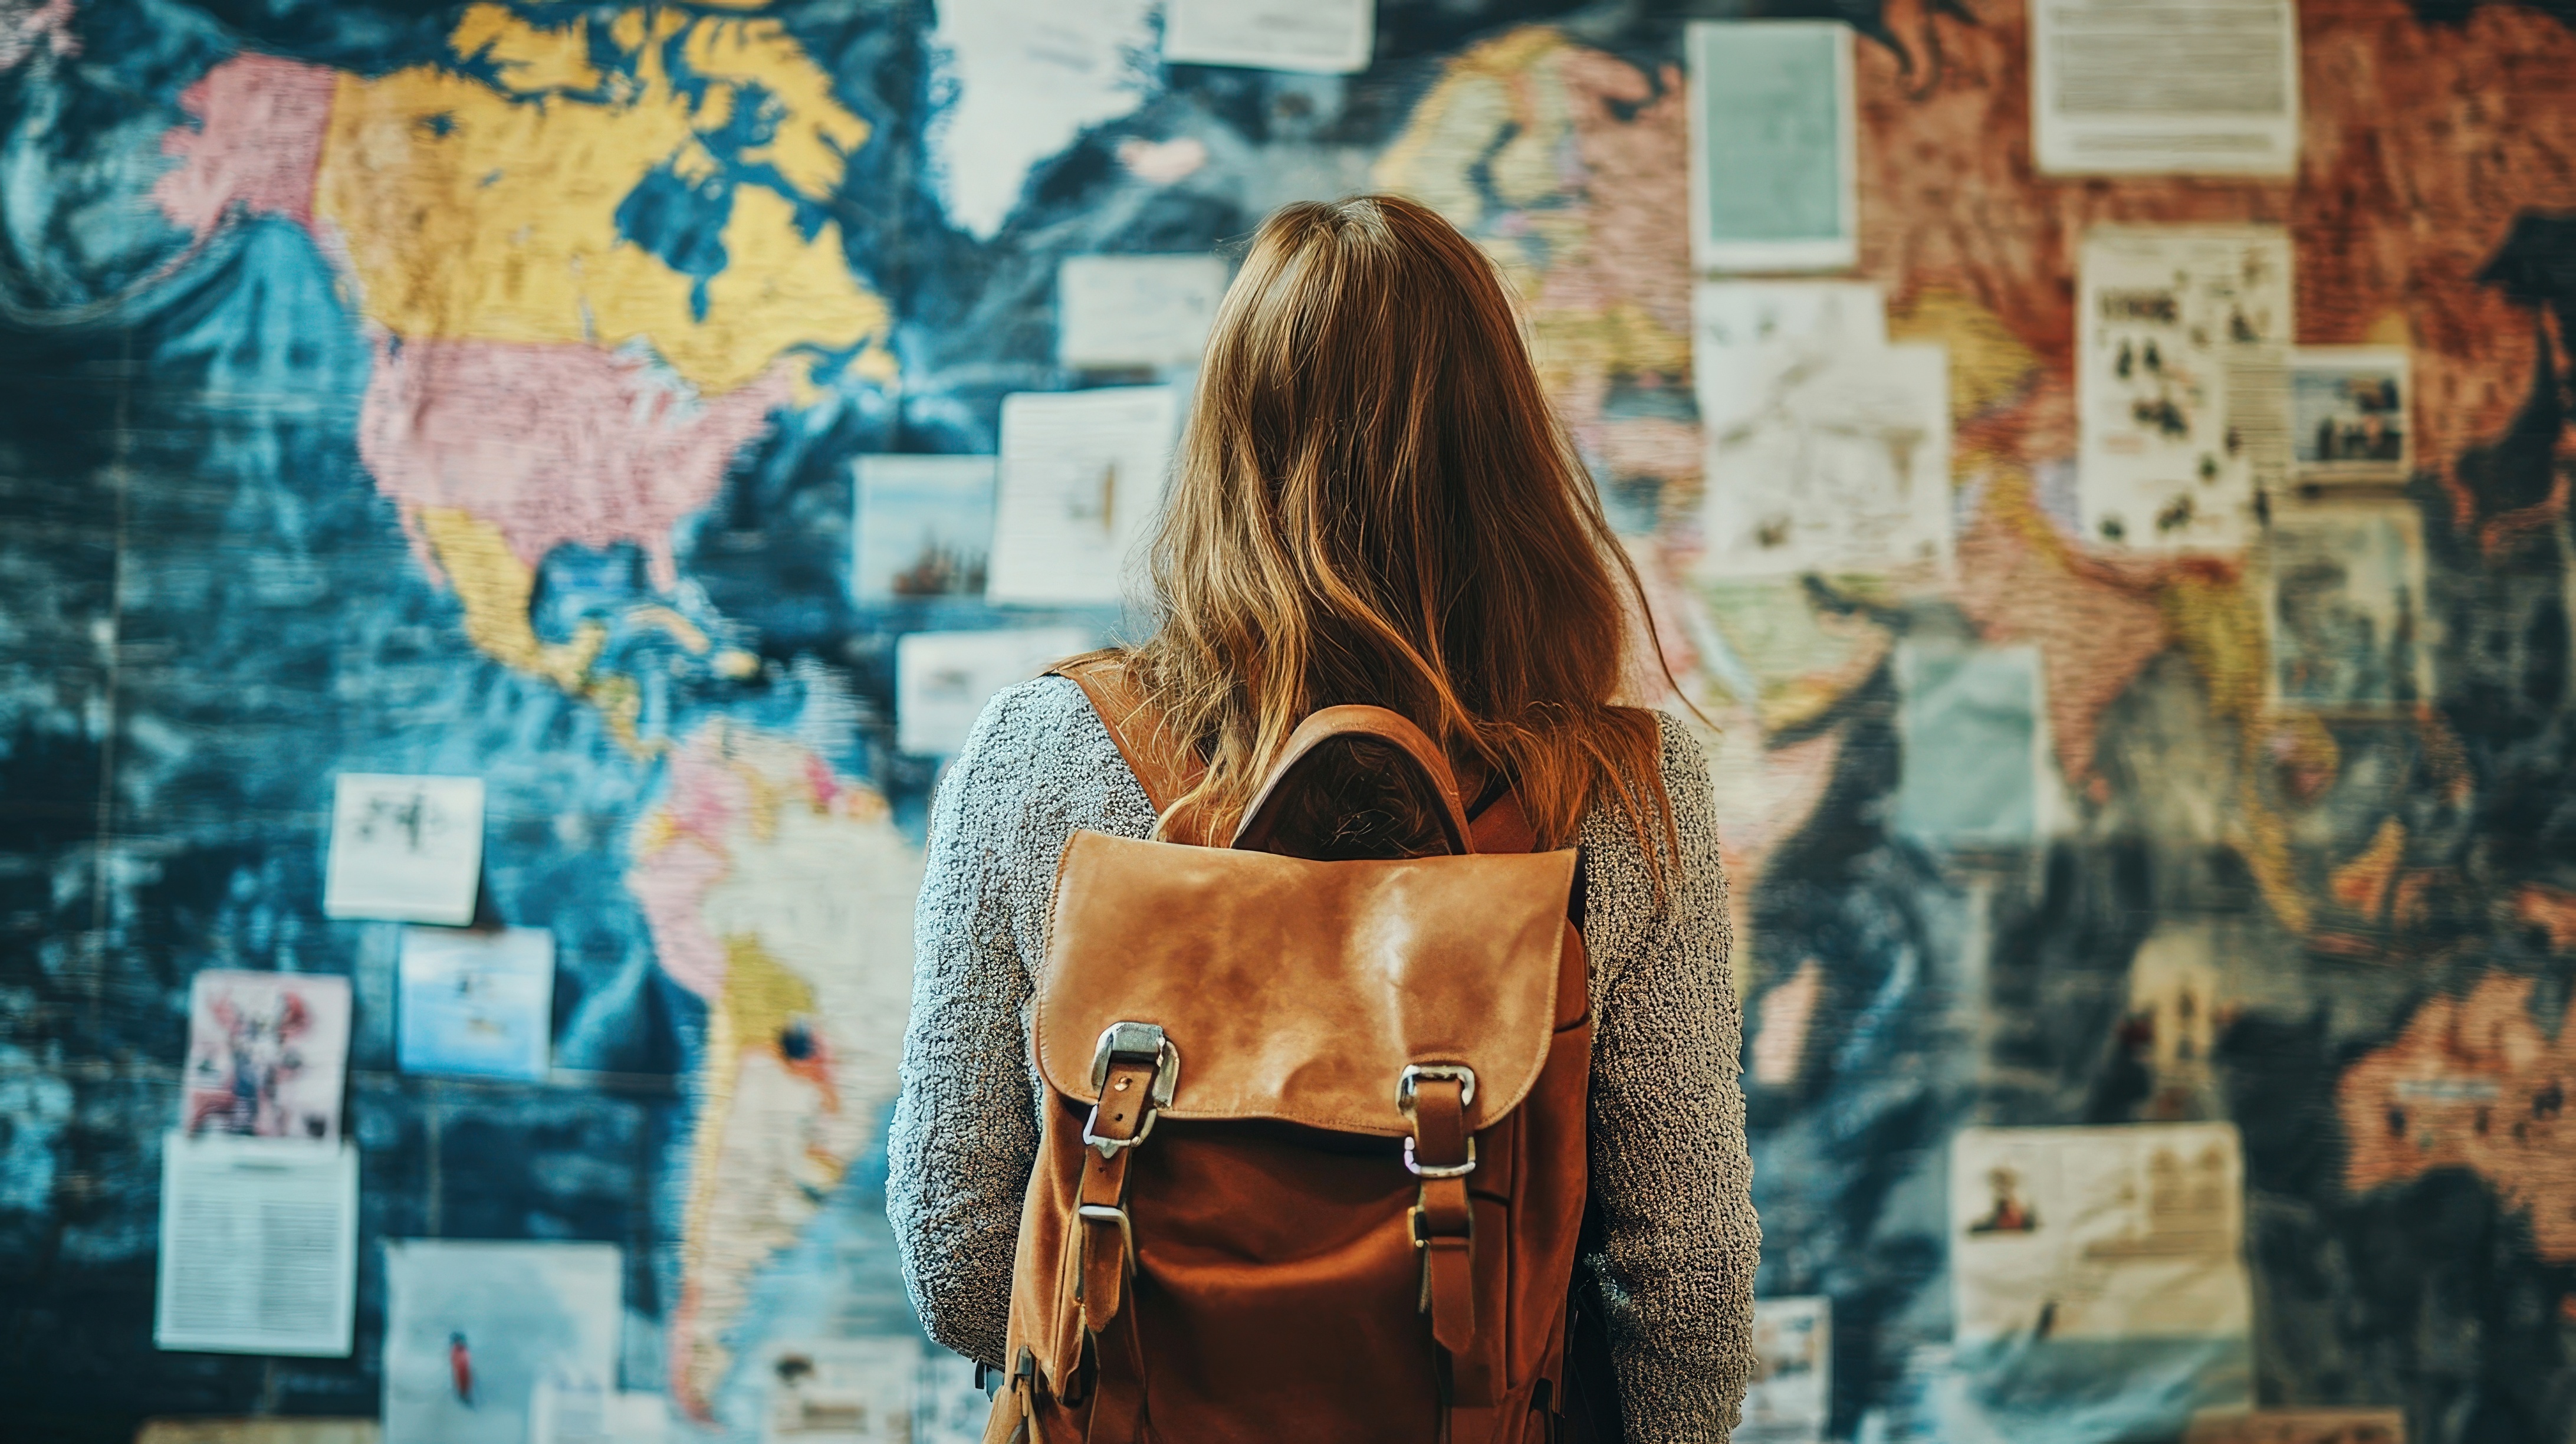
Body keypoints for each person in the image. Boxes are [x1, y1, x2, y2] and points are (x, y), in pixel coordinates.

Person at [887, 194, 1759, 1442]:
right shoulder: (1621, 790)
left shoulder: (1042, 753)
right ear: (1505, 456)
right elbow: (1691, 1282)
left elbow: (958, 1255)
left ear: (1224, 445)